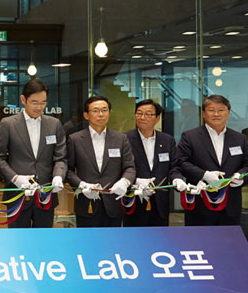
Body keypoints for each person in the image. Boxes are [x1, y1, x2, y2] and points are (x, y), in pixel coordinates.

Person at [0, 79, 66, 228]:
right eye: (34, 102)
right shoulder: (8, 124)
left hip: (45, 194)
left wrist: (58, 176)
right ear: (23, 100)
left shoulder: (54, 124)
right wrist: (14, 178)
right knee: (18, 240)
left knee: (44, 242)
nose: (39, 107)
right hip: (17, 194)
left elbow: (60, 157)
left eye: (43, 102)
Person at [176, 95, 248, 226]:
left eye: (221, 110)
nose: (216, 114)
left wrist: (241, 176)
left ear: (228, 113)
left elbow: (247, 165)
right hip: (200, 206)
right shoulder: (190, 137)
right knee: (199, 244)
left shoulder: (240, 139)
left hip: (230, 206)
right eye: (211, 110)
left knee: (229, 245)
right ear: (203, 113)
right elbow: (181, 162)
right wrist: (205, 175)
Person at [67, 95, 135, 227]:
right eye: (95, 110)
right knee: (87, 245)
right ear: (86, 115)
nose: (101, 114)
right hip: (87, 203)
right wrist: (82, 185)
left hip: (114, 202)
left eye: (104, 110)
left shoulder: (120, 139)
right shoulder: (75, 139)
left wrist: (125, 182)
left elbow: (130, 167)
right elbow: (68, 170)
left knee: (113, 245)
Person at [124, 99, 185, 227]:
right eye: (139, 113)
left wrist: (177, 179)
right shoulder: (125, 139)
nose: (142, 117)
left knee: (160, 241)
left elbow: (174, 167)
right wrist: (136, 182)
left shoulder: (167, 140)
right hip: (134, 200)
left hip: (160, 202)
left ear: (157, 118)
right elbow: (120, 168)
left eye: (148, 114)